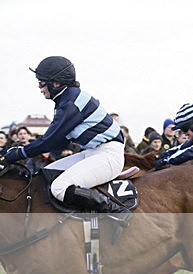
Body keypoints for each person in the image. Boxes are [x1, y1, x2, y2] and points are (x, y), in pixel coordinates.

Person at [1, 56, 129, 229]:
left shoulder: (70, 103)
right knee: (45, 174)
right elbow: (58, 142)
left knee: (59, 188)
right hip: (93, 153)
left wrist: (17, 154)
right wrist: (17, 152)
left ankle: (116, 210)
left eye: (41, 83)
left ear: (56, 83)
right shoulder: (67, 98)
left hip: (108, 156)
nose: (40, 88)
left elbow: (48, 141)